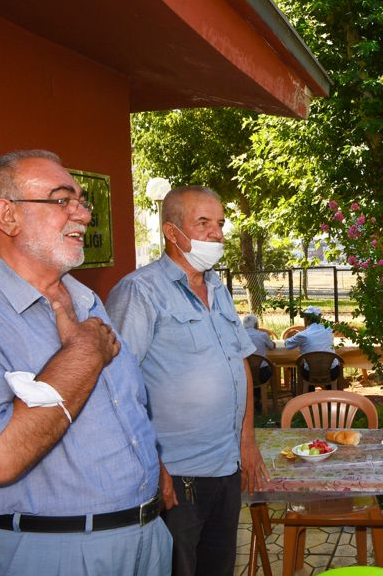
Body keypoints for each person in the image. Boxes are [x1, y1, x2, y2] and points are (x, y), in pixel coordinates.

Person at [0, 150, 171, 575]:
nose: (83, 215)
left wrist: (150, 470)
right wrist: (83, 354)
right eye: (61, 200)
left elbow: (123, 409)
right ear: (8, 216)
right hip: (44, 552)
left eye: (81, 201)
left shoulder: (87, 301)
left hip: (145, 539)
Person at [106, 185, 265, 576]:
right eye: (203, 223)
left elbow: (239, 363)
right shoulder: (140, 291)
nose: (217, 234)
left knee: (218, 567)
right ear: (171, 231)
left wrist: (247, 440)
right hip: (177, 476)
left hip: (226, 466)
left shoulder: (217, 288)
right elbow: (114, 386)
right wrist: (152, 465)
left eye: (220, 224)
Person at [285, 305, 342, 382]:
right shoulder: (329, 330)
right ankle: (330, 388)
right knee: (331, 366)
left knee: (303, 366)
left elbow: (287, 344)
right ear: (320, 318)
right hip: (333, 372)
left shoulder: (303, 335)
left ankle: (308, 389)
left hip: (310, 374)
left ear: (306, 319)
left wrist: (293, 335)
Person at [242, 314, 275, 384]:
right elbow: (272, 346)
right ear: (256, 324)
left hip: (244, 373)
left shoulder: (238, 336)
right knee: (272, 366)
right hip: (262, 373)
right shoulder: (263, 335)